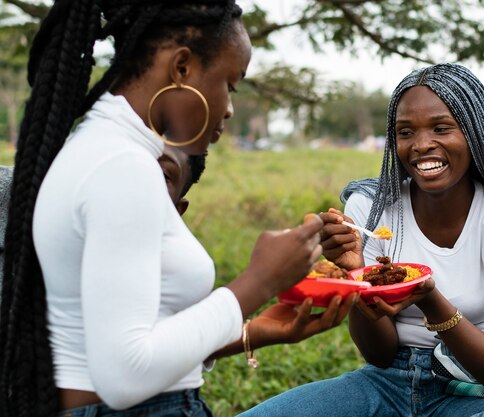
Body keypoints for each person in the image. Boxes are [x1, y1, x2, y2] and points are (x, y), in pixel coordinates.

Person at [0, 2, 355, 417]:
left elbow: (117, 339)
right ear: (181, 68)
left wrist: (253, 331)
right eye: (230, 83)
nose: (228, 108)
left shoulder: (106, 152)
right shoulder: (122, 166)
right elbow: (124, 377)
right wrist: (257, 282)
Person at [239, 63, 484, 416]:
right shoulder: (373, 207)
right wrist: (357, 279)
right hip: (384, 384)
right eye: (406, 132)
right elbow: (378, 355)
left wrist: (430, 299)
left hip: (468, 391)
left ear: (474, 133)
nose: (421, 145)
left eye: (442, 128)